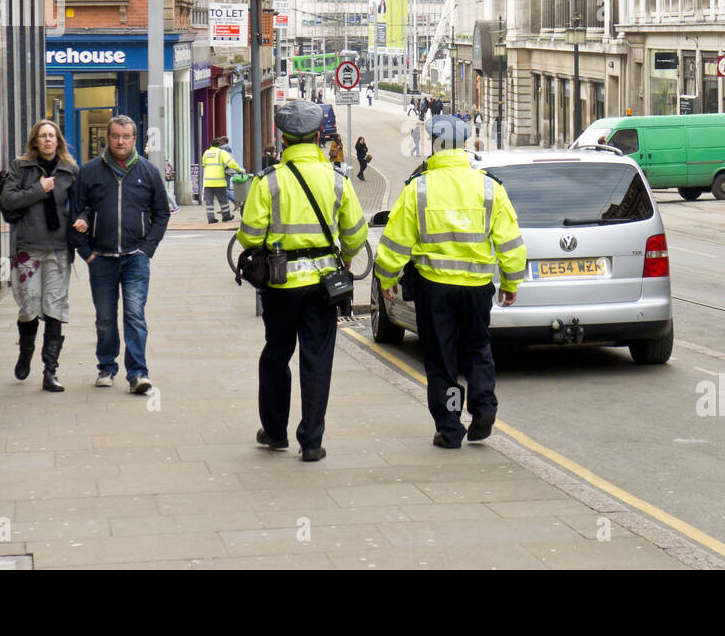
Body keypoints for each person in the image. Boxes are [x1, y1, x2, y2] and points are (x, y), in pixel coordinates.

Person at [374, 115, 527, 449]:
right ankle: (484, 407)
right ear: (465, 145)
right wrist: (511, 282)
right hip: (477, 287)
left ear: (434, 145)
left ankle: (450, 428)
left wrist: (387, 278)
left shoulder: (419, 188)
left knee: (442, 358)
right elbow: (511, 243)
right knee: (477, 348)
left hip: (435, 288)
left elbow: (395, 243)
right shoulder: (489, 187)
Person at [237, 100, 368, 462]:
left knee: (277, 355)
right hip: (324, 287)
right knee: (316, 360)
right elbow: (356, 235)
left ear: (282, 138)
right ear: (317, 137)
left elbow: (248, 236)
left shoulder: (269, 181)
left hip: (281, 285)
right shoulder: (338, 180)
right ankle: (311, 441)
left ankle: (276, 432)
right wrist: (344, 256)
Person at [70, 115, 171, 393]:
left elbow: (162, 213)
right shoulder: (89, 171)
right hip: (100, 258)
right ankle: (106, 366)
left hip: (135, 257)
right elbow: (75, 212)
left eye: (126, 136)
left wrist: (147, 248)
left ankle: (138, 373)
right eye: (115, 136)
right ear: (108, 137)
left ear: (135, 139)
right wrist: (86, 253)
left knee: (135, 314)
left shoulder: (148, 172)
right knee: (104, 317)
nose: (120, 141)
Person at [0, 120, 80, 392]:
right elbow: (7, 201)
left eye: (52, 136)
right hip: (27, 249)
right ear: (34, 141)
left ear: (58, 140)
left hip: (58, 249)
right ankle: (26, 349)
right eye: (42, 136)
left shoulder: (70, 170)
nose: (47, 140)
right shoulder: (20, 167)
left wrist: (83, 221)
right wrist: (39, 189)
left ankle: (50, 371)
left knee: (54, 307)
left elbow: (82, 205)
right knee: (29, 306)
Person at [201, 137, 242, 224]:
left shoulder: (206, 153)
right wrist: (239, 170)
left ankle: (211, 218)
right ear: (219, 146)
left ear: (211, 145)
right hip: (219, 181)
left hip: (208, 182)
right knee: (223, 199)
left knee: (209, 201)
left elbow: (204, 163)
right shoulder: (221, 153)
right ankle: (226, 216)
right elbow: (231, 163)